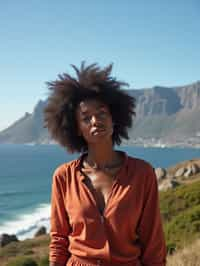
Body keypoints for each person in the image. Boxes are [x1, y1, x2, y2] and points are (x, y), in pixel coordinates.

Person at [44, 62, 166, 266]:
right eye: (86, 118)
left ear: (114, 119)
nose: (95, 121)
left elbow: (153, 242)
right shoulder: (63, 176)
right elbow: (59, 241)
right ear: (76, 128)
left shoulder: (142, 173)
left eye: (102, 114)